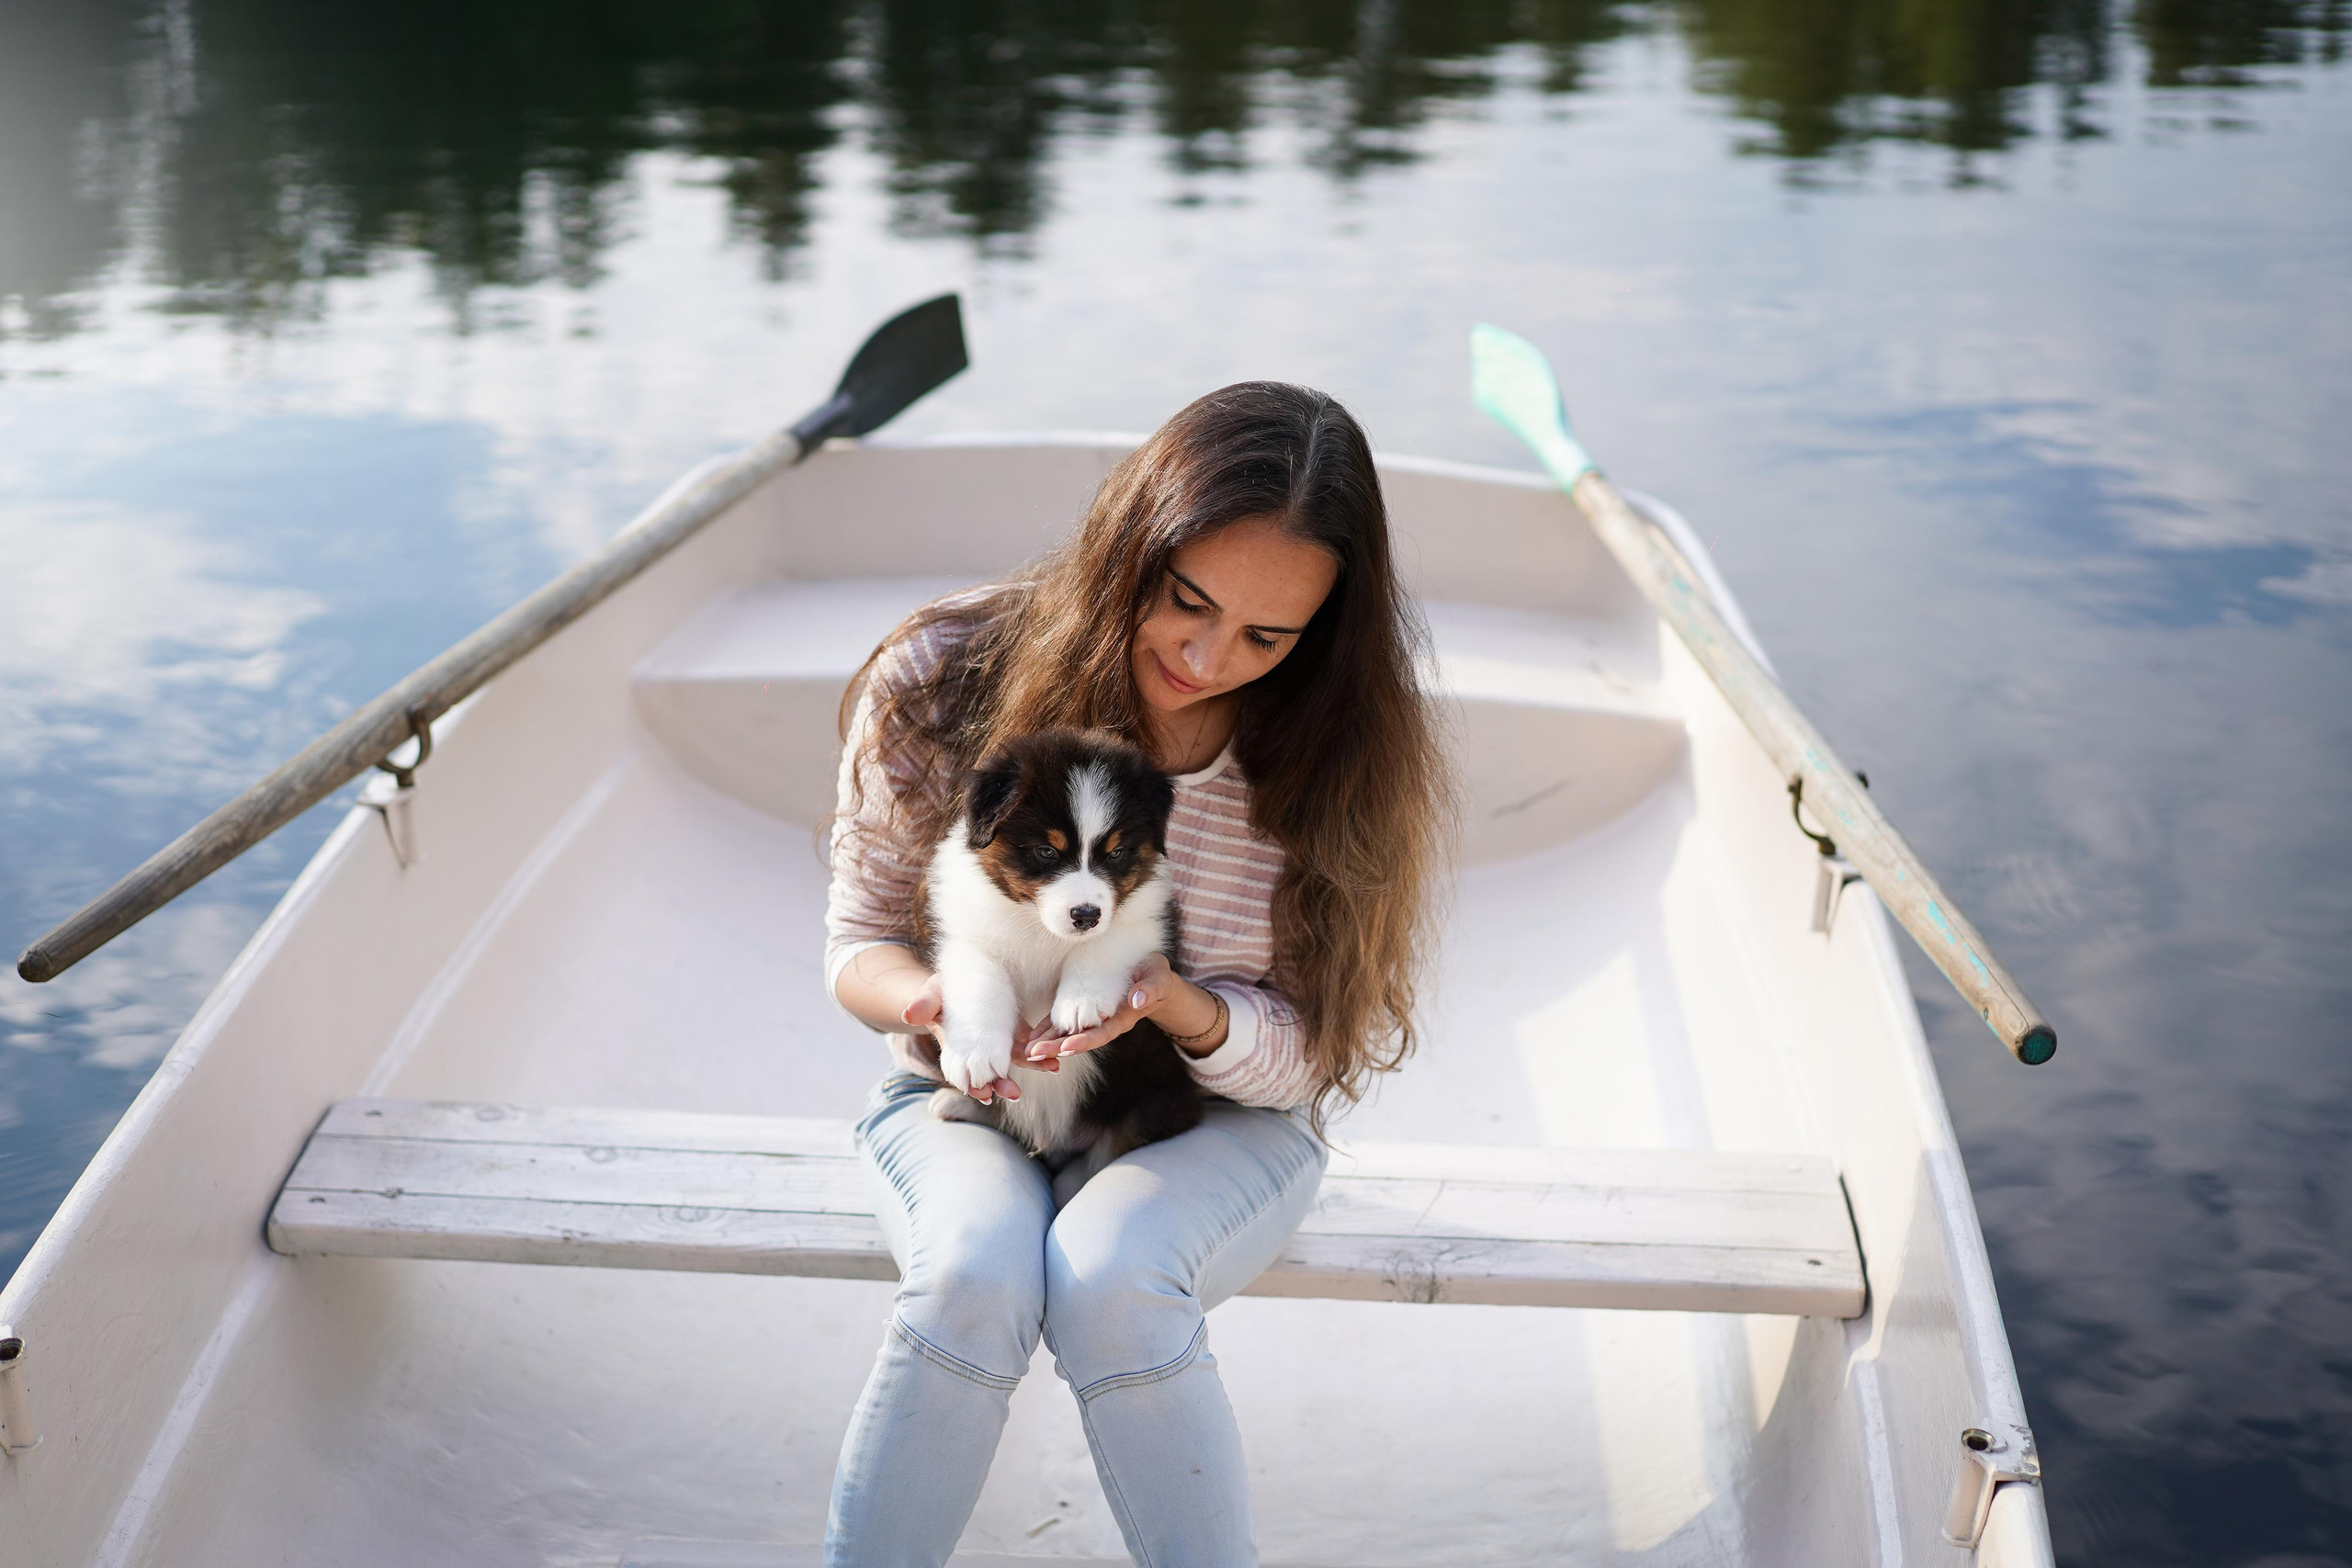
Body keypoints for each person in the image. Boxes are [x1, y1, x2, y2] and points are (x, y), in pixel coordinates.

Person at [820, 381, 1449, 1566]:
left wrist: (1172, 1003)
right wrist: (943, 1007)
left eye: (1267, 638)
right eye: (1186, 601)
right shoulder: (944, 673)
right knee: (968, 1274)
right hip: (970, 1091)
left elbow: (1315, 1048)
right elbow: (859, 946)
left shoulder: (1337, 756)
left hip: (1209, 1116)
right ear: (1130, 549)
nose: (1209, 660)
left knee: (1110, 1277)